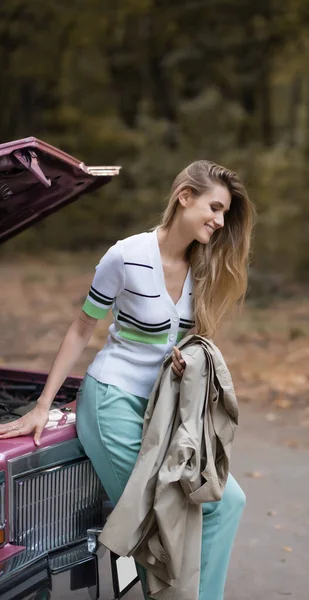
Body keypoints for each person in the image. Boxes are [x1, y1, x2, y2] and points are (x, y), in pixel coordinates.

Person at [0, 160, 255, 600]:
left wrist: (183, 358)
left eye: (225, 214)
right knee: (163, 513)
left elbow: (189, 338)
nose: (219, 220)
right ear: (185, 196)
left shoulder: (203, 267)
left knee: (226, 501)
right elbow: (83, 328)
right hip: (111, 402)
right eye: (214, 207)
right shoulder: (127, 255)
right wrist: (43, 405)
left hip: (165, 406)